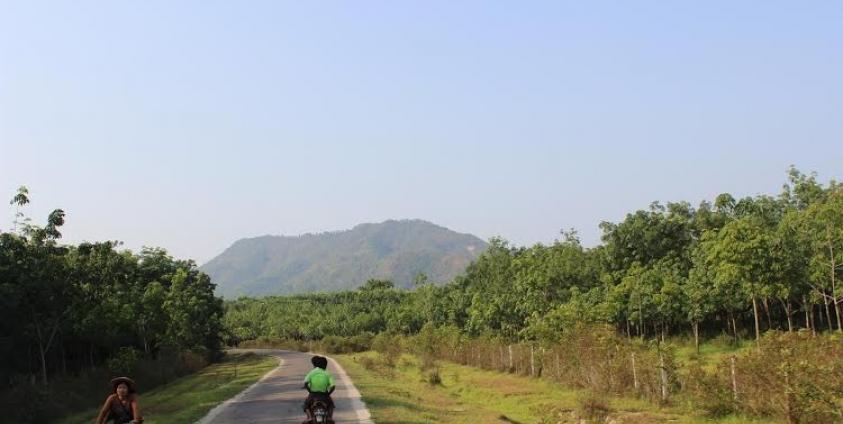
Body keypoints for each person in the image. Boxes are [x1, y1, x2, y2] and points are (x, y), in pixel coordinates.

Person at [302, 355, 335, 424]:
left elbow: (305, 383)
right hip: (324, 396)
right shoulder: (327, 373)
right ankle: (329, 417)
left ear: (315, 365)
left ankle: (310, 417)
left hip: (313, 395)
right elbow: (333, 386)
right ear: (325, 365)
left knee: (306, 405)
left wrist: (310, 391)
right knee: (331, 405)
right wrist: (328, 394)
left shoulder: (312, 372)